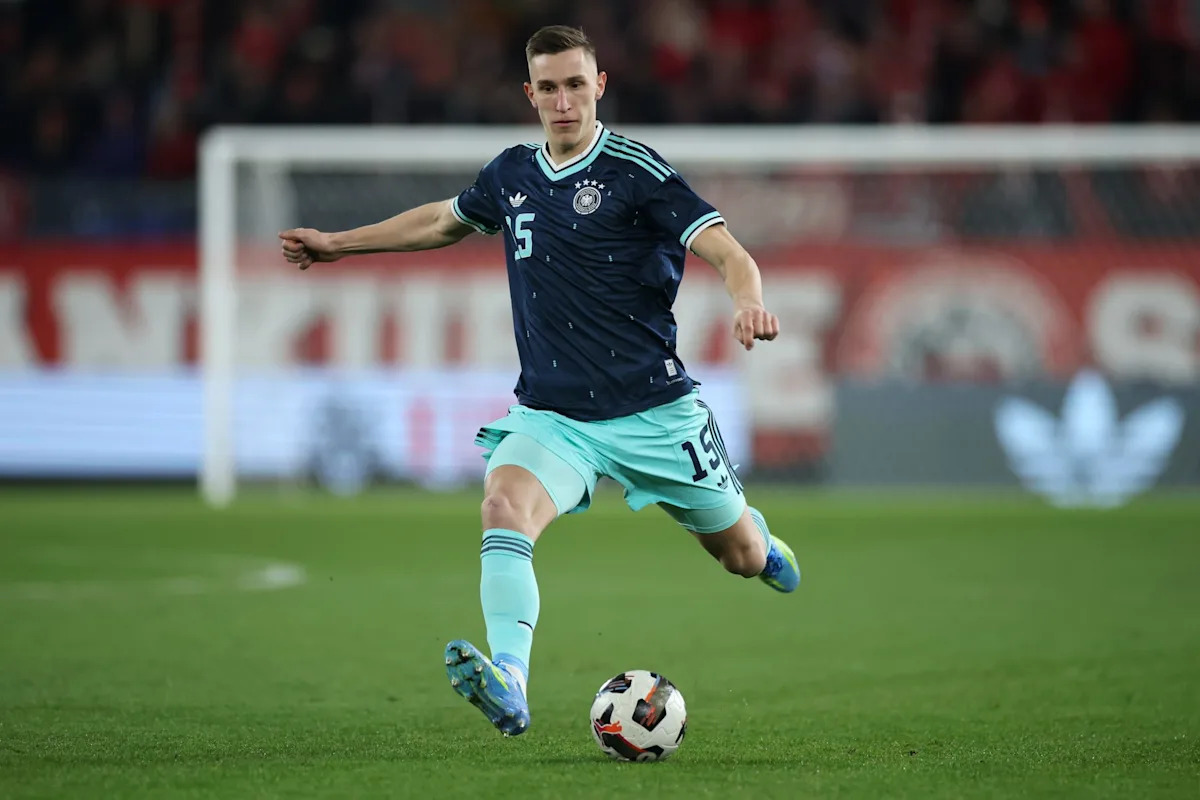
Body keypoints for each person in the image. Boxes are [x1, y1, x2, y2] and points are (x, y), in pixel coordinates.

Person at [279, 24, 801, 738]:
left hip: (655, 411)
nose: (563, 102)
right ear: (530, 94)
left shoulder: (637, 172)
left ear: (599, 86)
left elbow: (729, 252)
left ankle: (762, 544)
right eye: (548, 88)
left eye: (576, 85)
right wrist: (338, 245)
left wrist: (748, 301)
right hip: (553, 415)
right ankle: (511, 682)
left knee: (739, 556)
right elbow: (442, 222)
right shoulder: (511, 175)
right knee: (503, 507)